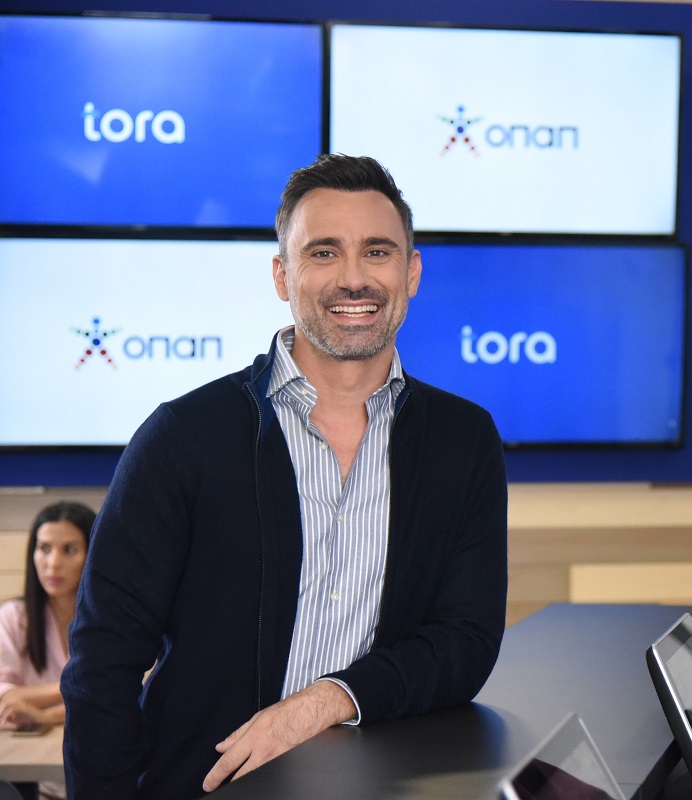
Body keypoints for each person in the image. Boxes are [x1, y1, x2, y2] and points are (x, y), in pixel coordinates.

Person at [61, 154, 508, 800]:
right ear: (282, 274)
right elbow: (103, 662)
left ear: (411, 272)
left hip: (381, 788)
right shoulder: (184, 436)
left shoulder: (463, 441)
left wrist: (329, 698)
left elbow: (465, 640)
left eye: (377, 252)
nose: (353, 279)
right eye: (323, 253)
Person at [0, 501, 95, 731]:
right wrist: (78, 687)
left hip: (96, 741)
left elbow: (119, 694)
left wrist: (45, 715)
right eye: (44, 548)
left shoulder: (111, 619)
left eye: (69, 550)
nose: (53, 564)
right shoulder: (14, 617)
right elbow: (5, 697)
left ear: (93, 555)